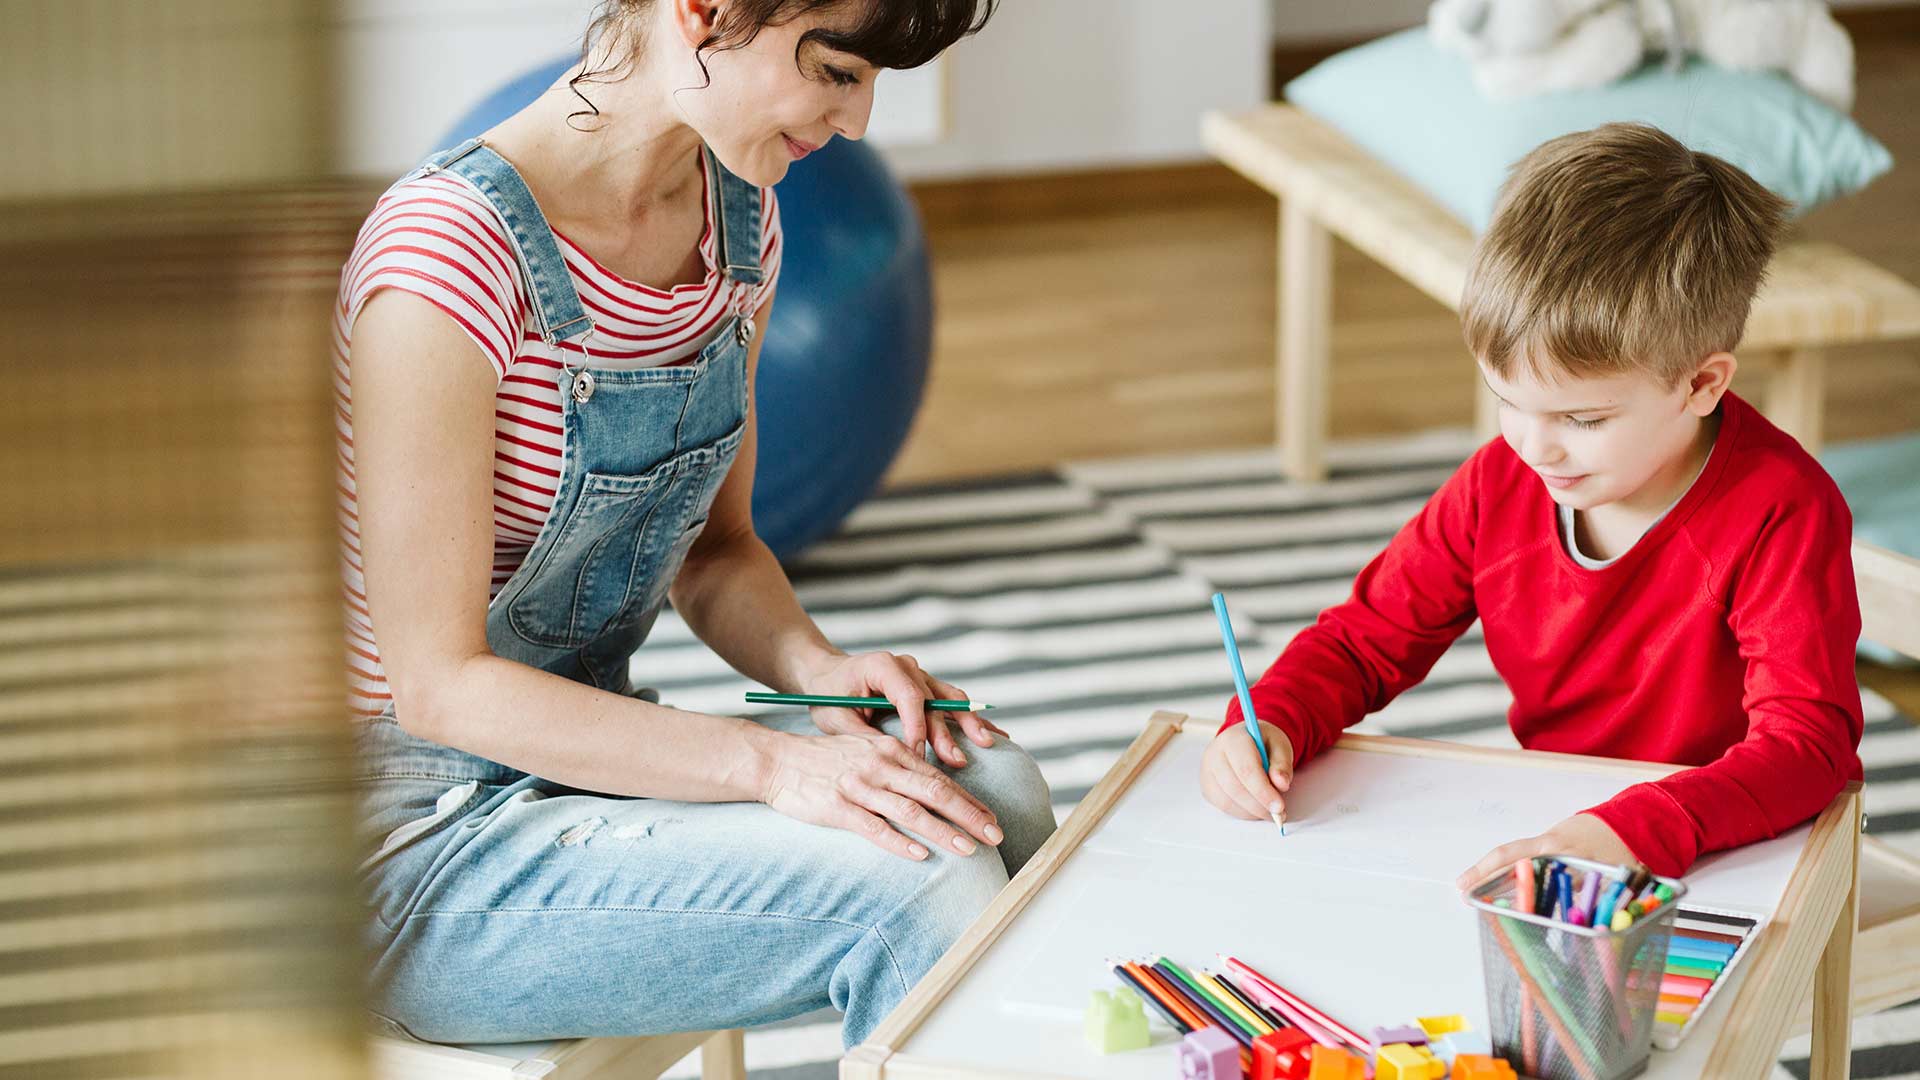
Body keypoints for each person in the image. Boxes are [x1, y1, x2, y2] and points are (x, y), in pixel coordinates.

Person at [339, 0, 1054, 1048]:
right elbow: (440, 687)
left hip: (584, 767)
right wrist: (773, 766)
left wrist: (819, 670)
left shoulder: (737, 222)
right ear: (704, 12)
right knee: (916, 886)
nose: (854, 123)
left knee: (998, 794)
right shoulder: (446, 261)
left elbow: (716, 555)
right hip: (412, 851)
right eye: (835, 70)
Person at [1198, 123, 1863, 888]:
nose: (1535, 447)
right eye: (1508, 401)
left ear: (1701, 385)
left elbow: (1809, 747)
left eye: (1583, 421)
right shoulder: (1500, 482)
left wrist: (1628, 831)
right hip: (1568, 830)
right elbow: (1365, 641)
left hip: (1733, 843)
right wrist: (1273, 719)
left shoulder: (1783, 508)